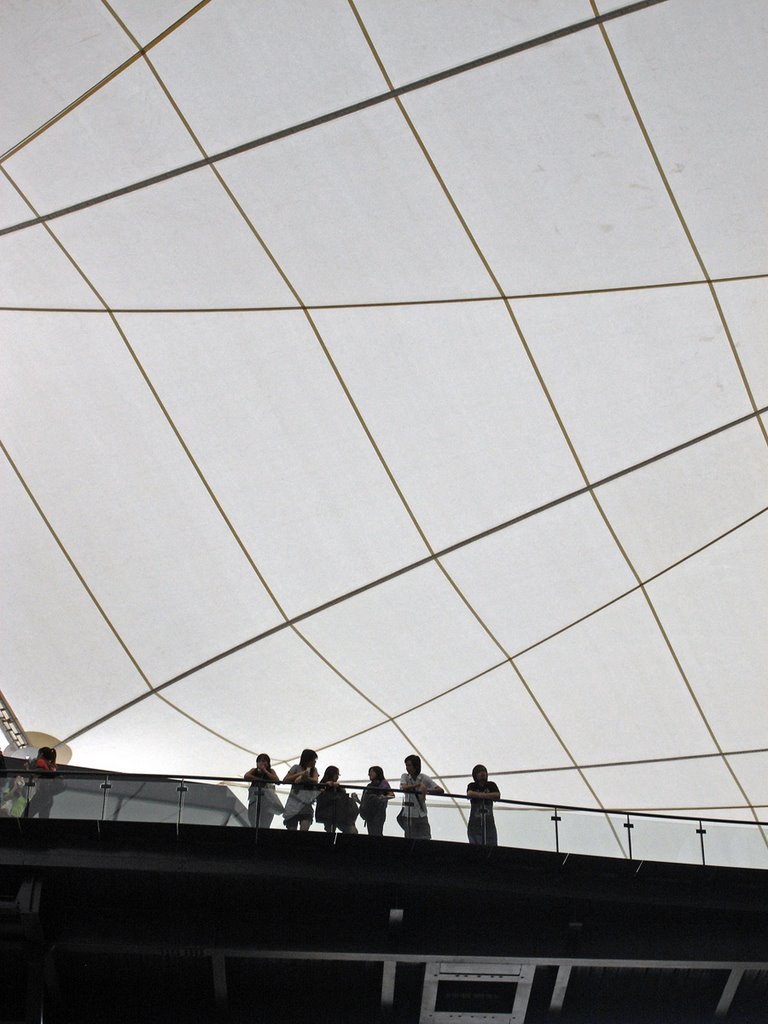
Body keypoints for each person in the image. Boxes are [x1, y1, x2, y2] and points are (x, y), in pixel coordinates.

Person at [399, 755, 444, 839]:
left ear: (416, 766)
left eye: (409, 765)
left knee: (425, 837)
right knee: (410, 838)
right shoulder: (405, 776)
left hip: (421, 814)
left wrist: (426, 790)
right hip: (409, 815)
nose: (407, 768)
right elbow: (403, 787)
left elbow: (440, 790)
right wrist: (418, 785)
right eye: (406, 765)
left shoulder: (424, 778)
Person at [314, 766, 359, 834]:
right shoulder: (322, 784)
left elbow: (342, 795)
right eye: (337, 775)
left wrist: (338, 788)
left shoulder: (337, 786)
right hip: (330, 813)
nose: (337, 777)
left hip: (338, 813)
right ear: (332, 774)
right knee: (332, 829)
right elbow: (319, 794)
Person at [282, 749, 319, 831]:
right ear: (307, 759)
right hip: (293, 804)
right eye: (313, 760)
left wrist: (306, 778)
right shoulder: (296, 767)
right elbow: (285, 780)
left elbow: (315, 780)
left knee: (304, 829)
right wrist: (301, 774)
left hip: (306, 804)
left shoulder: (314, 770)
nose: (314, 762)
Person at [243, 753, 283, 828]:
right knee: (253, 823)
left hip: (268, 802)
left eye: (264, 761)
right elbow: (246, 776)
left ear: (268, 763)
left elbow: (277, 781)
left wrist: (265, 771)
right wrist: (258, 779)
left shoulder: (271, 771)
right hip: (254, 801)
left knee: (265, 825)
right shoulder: (254, 770)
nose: (262, 763)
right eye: (260, 761)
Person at [466, 764, 500, 846]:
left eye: (484, 771)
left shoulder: (491, 785)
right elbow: (469, 794)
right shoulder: (472, 785)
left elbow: (497, 795)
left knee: (491, 841)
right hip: (475, 820)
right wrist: (487, 796)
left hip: (488, 820)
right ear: (475, 775)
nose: (482, 773)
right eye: (479, 771)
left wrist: (478, 795)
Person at [359, 765, 394, 836]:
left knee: (376, 833)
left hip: (378, 813)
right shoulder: (369, 785)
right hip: (369, 813)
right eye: (369, 772)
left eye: (372, 772)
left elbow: (392, 795)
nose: (369, 774)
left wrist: (383, 797)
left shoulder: (383, 783)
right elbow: (365, 801)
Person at [28, 746, 59, 819]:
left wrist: (28, 768)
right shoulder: (52, 766)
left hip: (41, 794)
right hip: (49, 798)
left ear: (41, 754)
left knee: (26, 815)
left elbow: (35, 773)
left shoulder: (41, 762)